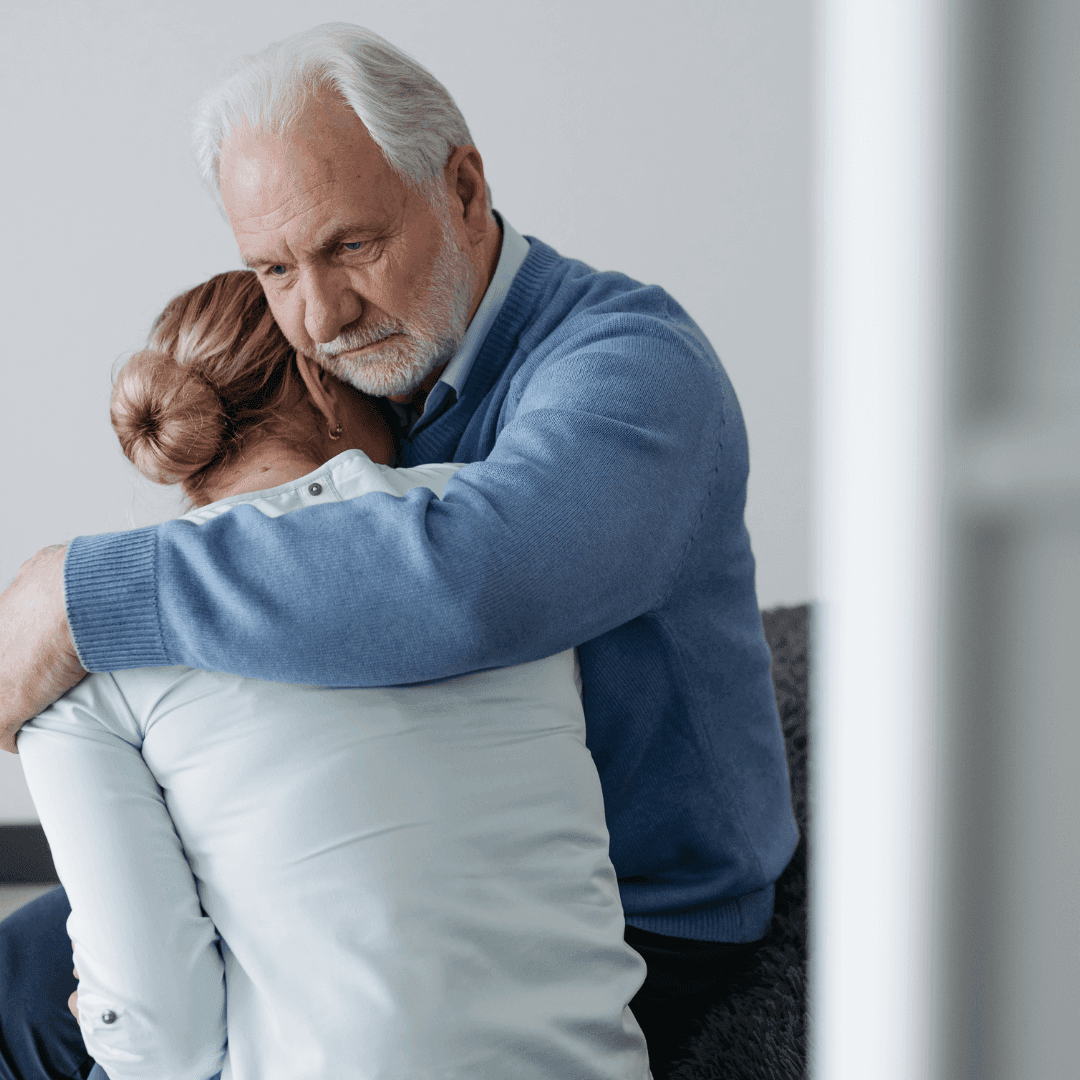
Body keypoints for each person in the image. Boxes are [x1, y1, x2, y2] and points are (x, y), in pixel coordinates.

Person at [0, 22, 798, 1079]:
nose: (318, 315)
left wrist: (87, 594)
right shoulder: (363, 375)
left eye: (350, 248)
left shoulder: (632, 369)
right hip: (384, 842)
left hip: (631, 909)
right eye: (274, 267)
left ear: (462, 188)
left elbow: (475, 582)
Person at [18, 269, 652, 1080]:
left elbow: (162, 1045)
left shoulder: (81, 660)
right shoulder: (501, 532)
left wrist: (108, 1015)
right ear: (324, 386)